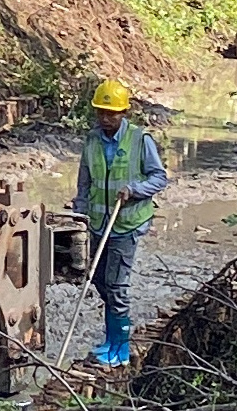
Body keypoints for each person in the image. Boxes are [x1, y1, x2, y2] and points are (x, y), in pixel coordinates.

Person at [71, 78, 169, 366]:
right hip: (98, 224)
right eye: (101, 112)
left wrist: (134, 190)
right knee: (98, 278)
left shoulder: (140, 140)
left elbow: (159, 178)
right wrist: (79, 215)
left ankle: (121, 348)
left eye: (111, 114)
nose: (105, 118)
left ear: (124, 113)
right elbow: (84, 183)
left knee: (116, 284)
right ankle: (111, 339)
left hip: (126, 225)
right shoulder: (92, 140)